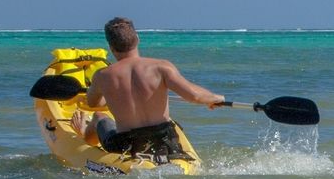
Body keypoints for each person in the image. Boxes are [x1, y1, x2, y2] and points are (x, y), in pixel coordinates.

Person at [75, 16, 226, 157]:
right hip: (164, 142)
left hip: (126, 145)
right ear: (137, 39)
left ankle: (84, 137)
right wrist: (215, 98)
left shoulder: (102, 76)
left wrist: (112, 97)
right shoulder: (161, 67)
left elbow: (93, 103)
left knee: (99, 116)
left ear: (110, 47)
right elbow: (195, 96)